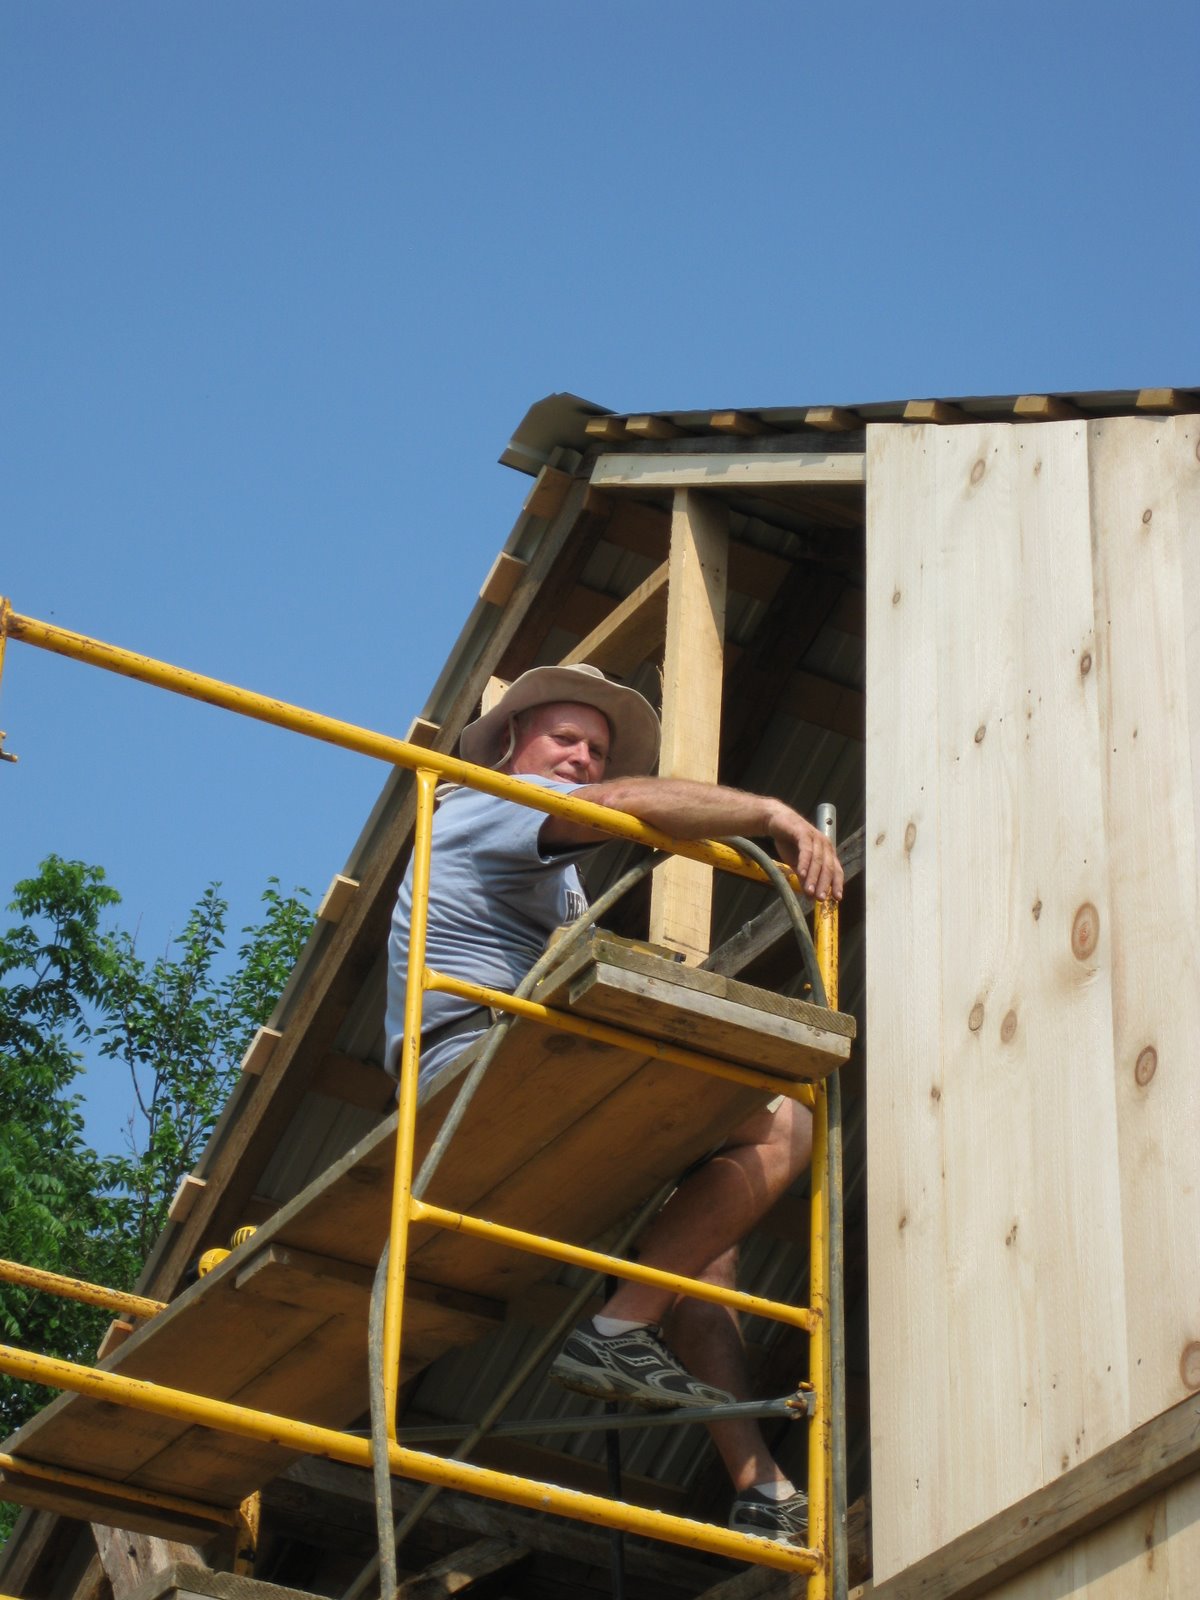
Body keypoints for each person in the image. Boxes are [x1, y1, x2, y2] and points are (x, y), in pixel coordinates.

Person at [384, 664, 843, 1545]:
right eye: (565, 739)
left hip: (520, 1064)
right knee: (785, 1120)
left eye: (595, 751)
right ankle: (617, 1328)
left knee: (701, 1247)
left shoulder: (558, 875)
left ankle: (759, 1484)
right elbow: (624, 803)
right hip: (477, 1064)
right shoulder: (485, 800)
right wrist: (770, 814)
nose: (583, 760)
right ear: (510, 745)